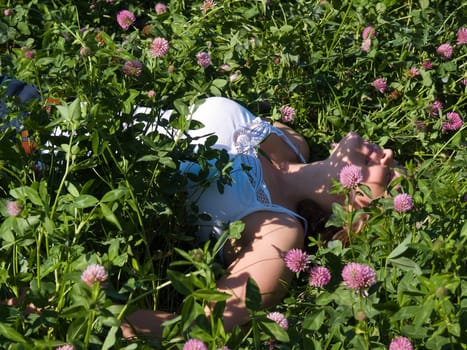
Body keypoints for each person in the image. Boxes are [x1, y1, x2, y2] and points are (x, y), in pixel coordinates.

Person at [121, 97, 400, 338]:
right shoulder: (293, 142)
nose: (387, 154)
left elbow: (202, 329)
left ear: (357, 214)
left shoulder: (281, 234)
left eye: (387, 177)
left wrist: (99, 316)